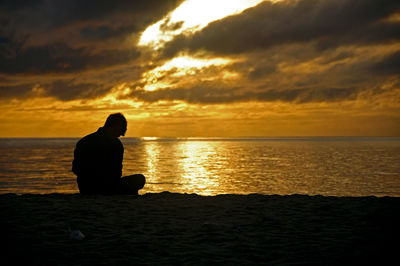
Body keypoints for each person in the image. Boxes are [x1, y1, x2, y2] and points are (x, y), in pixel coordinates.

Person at [72, 113, 145, 195]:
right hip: (106, 188)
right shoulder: (115, 144)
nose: (121, 135)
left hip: (85, 189)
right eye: (122, 131)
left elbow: (75, 169)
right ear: (117, 126)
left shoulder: (84, 141)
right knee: (139, 179)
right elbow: (117, 173)